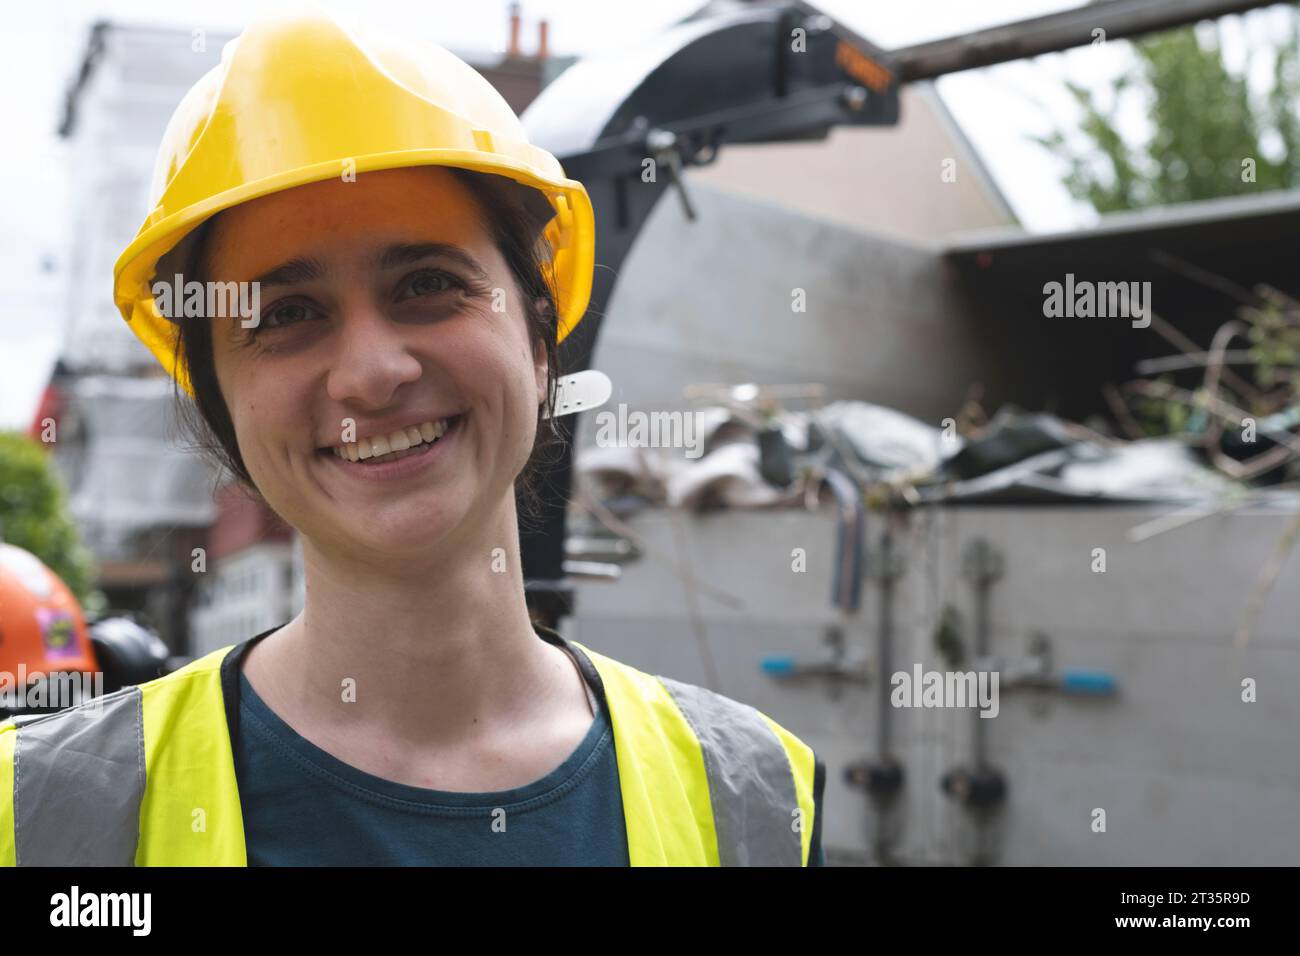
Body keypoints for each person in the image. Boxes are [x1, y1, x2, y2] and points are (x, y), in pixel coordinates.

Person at [0, 10, 825, 867]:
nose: (371, 373)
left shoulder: (753, 801)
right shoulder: (45, 813)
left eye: (428, 284)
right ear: (223, 411)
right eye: (286, 314)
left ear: (539, 345)